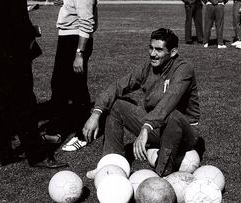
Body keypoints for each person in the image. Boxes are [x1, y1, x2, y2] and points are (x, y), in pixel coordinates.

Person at [83, 28, 200, 177]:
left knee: (173, 115)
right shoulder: (147, 68)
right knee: (117, 105)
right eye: (150, 48)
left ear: (173, 52)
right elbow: (118, 86)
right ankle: (111, 167)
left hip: (185, 133)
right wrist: (96, 113)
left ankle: (162, 176)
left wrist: (146, 128)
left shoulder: (184, 69)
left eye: (158, 50)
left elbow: (168, 103)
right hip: (156, 127)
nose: (152, 53)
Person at [0, 0, 67, 168]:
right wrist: (32, 33)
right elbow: (18, 21)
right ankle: (36, 155)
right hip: (12, 55)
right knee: (25, 104)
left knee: (2, 105)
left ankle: (3, 153)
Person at [41, 0, 98, 152]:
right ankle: (56, 131)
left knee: (77, 88)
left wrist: (79, 53)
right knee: (60, 87)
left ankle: (82, 136)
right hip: (68, 38)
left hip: (75, 41)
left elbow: (87, 22)